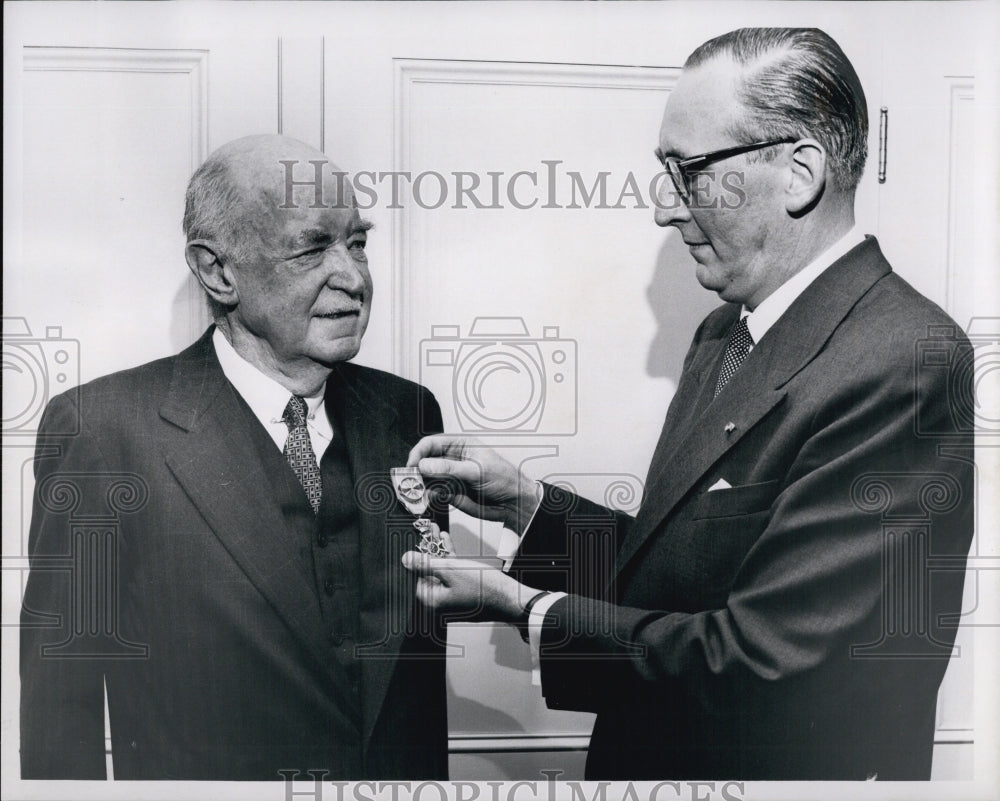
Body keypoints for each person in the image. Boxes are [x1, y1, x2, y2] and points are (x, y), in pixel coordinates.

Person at [402, 28, 974, 780]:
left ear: (799, 173)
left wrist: (525, 609)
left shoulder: (903, 359)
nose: (664, 211)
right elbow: (681, 570)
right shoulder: (722, 334)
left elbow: (769, 659)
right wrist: (526, 505)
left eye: (689, 170)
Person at [20, 135, 449, 780]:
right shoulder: (103, 433)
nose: (355, 277)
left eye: (357, 243)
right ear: (218, 272)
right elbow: (61, 708)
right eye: (312, 249)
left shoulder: (410, 413)